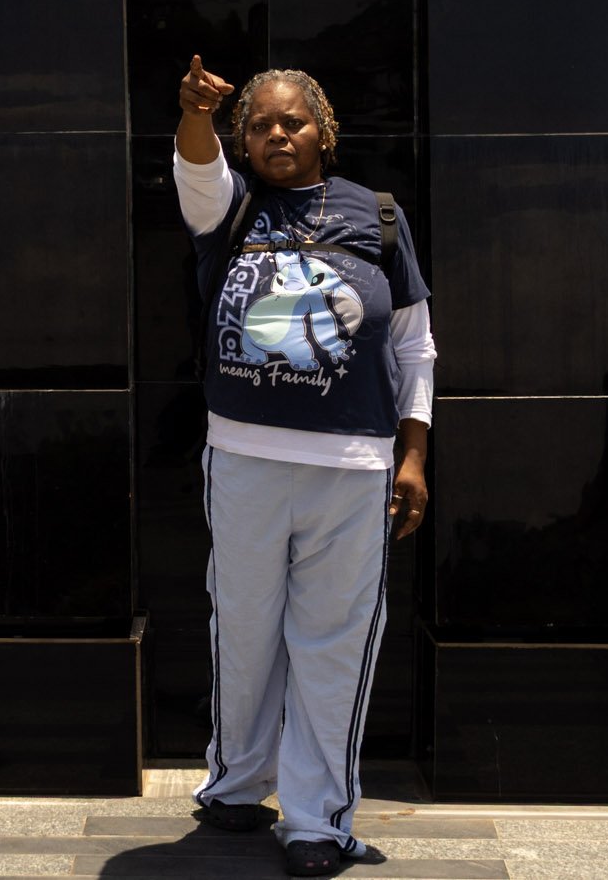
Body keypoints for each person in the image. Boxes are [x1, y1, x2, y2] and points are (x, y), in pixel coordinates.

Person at [175, 52, 436, 875]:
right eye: (259, 124)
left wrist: (414, 453)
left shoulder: (380, 215)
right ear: (243, 141)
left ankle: (317, 822)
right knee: (243, 629)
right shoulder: (229, 204)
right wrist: (195, 114)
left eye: (292, 121)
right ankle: (234, 785)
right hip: (244, 455)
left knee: (334, 642)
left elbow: (414, 345)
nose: (277, 132)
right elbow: (195, 166)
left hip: (353, 463)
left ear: (324, 132)